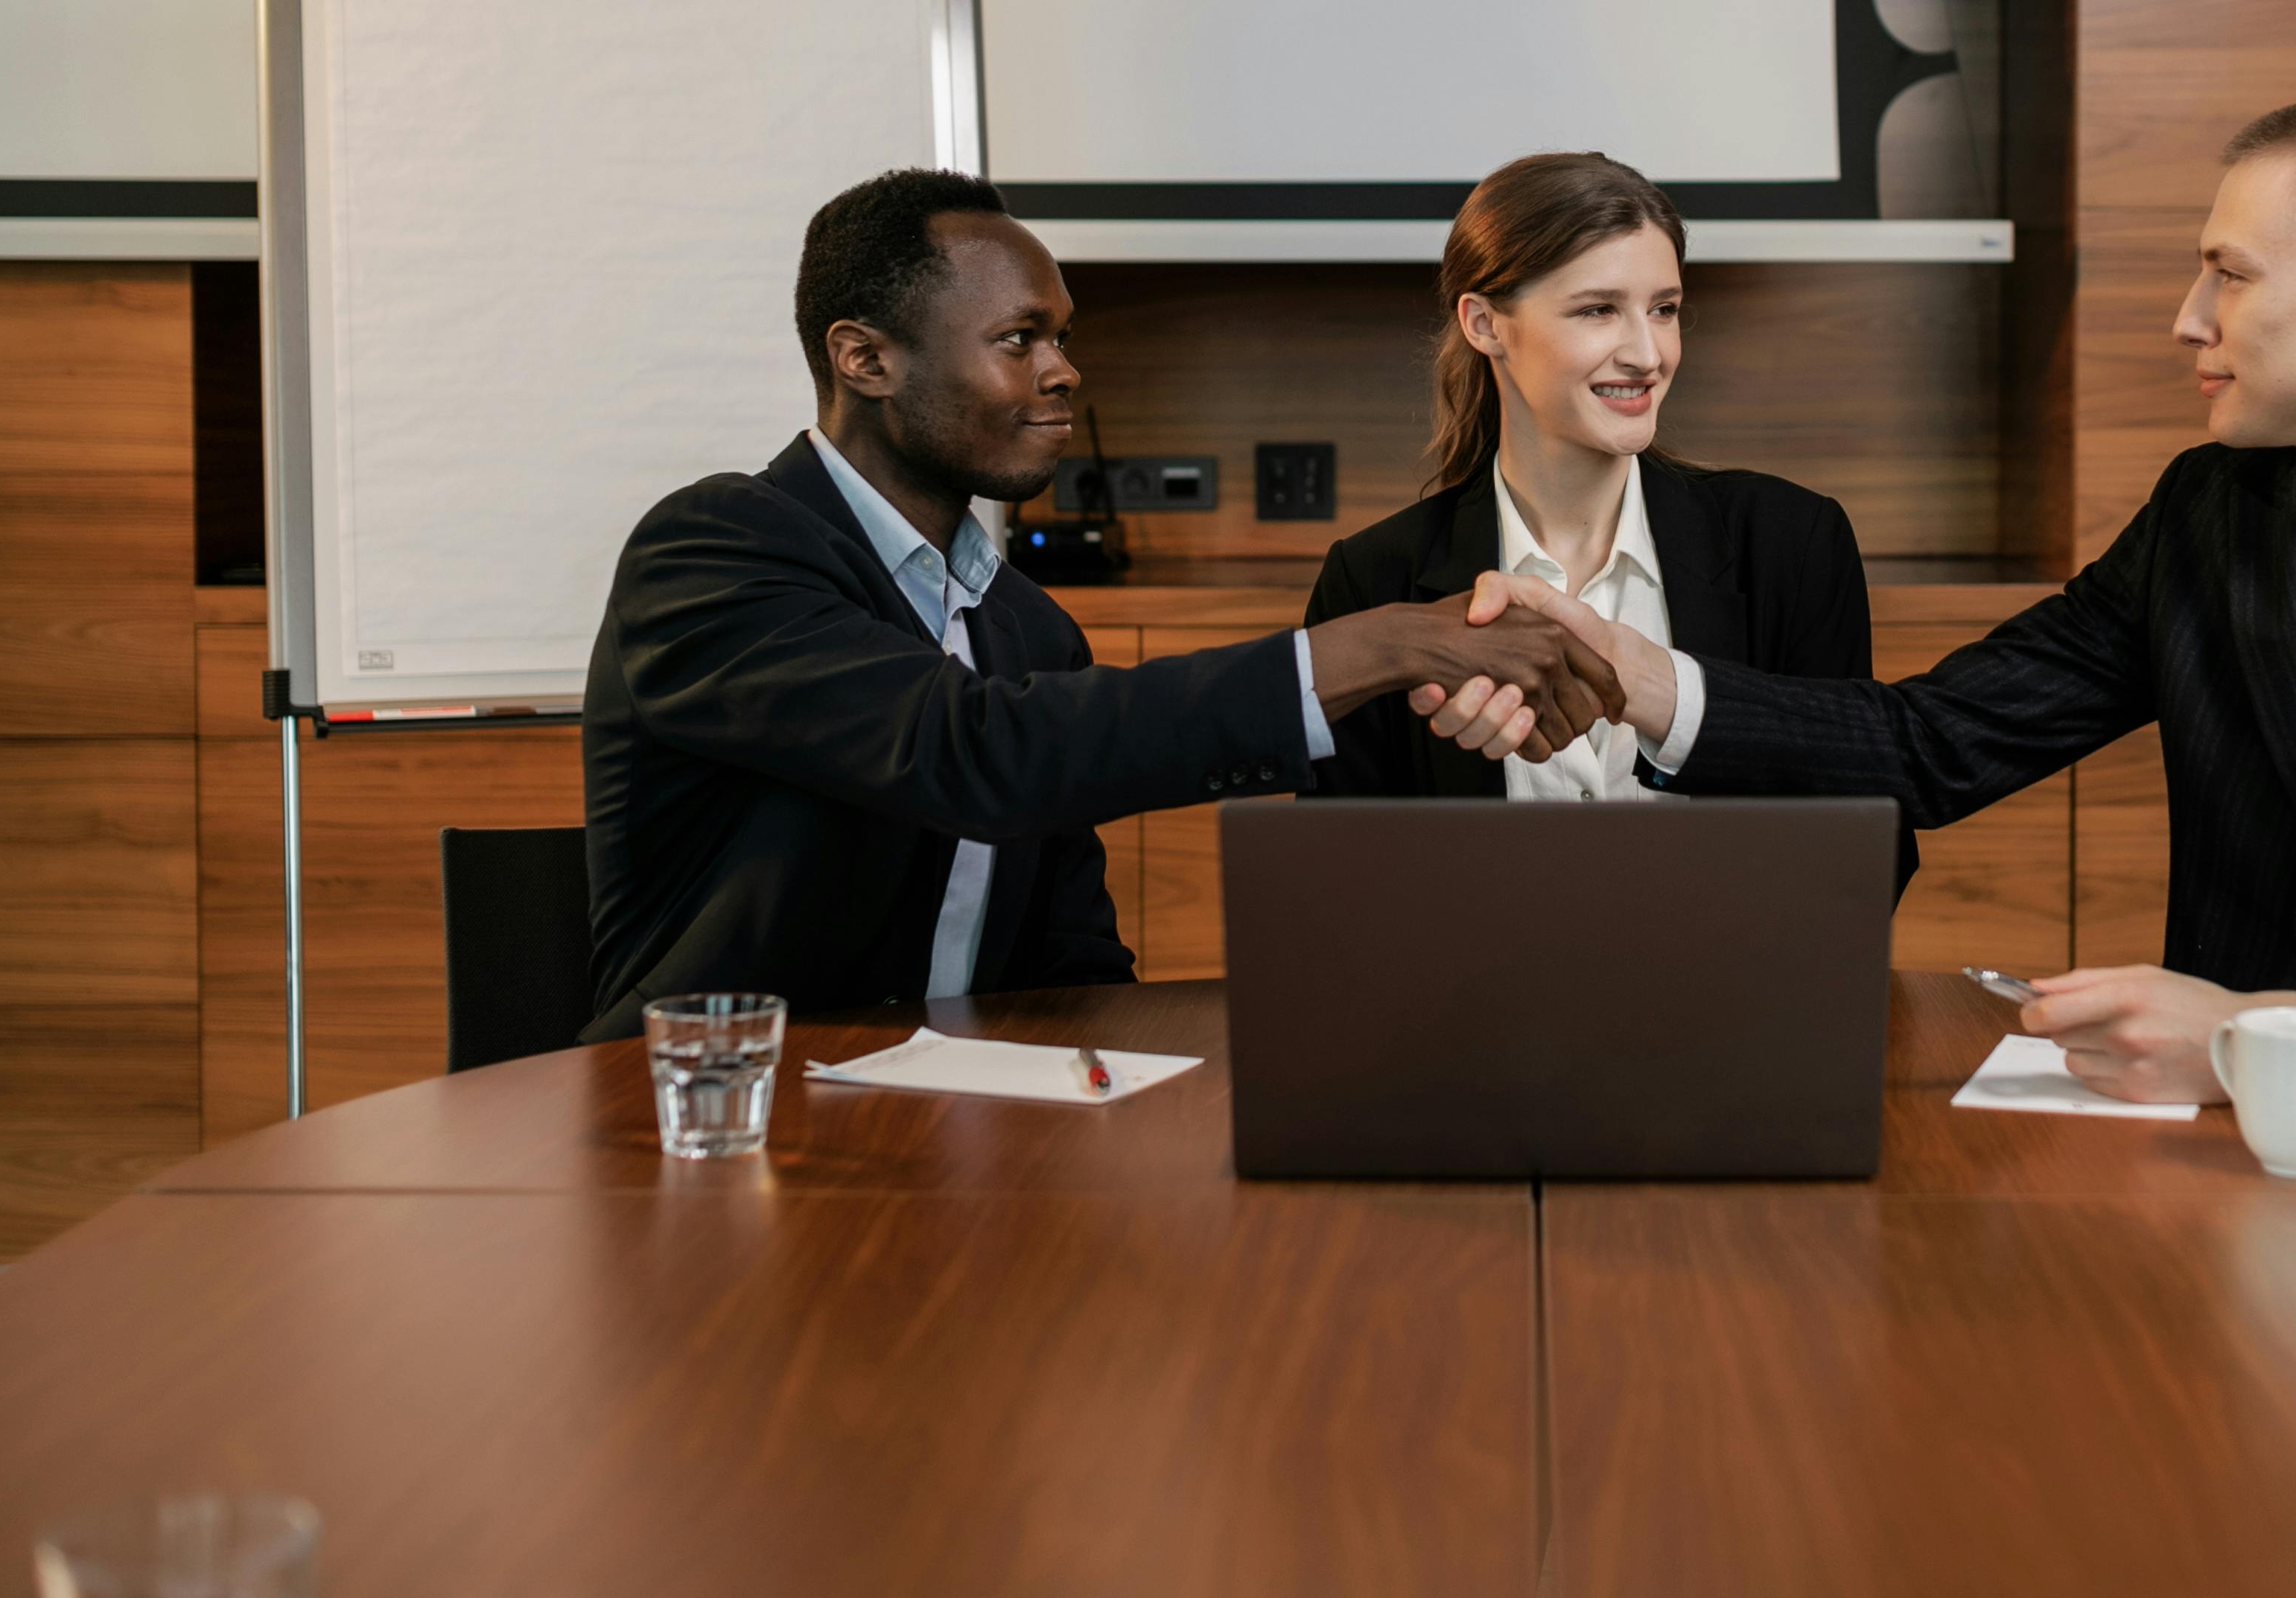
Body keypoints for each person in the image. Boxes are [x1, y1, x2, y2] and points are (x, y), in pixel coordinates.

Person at [1440, 96, 2296, 1112]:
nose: (2188, 320)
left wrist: (2271, 1040)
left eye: (2228, 275)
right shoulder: (2210, 515)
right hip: (2234, 1180)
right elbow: (1932, 744)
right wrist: (1640, 674)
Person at [579, 168, 1621, 1038]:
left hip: (955, 1146)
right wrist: (1379, 644)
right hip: (712, 1130)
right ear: (865, 359)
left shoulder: (1030, 629)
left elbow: (1067, 957)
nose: (1065, 371)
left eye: (1062, 337)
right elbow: (971, 754)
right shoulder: (713, 551)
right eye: (1020, 339)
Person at [1299, 152, 1901, 880]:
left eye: (1664, 309)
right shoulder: (1372, 577)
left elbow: (1867, 848)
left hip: (1731, 993)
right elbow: (1342, 882)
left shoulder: (1792, 543)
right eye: (1597, 309)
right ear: (1485, 325)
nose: (1648, 353)